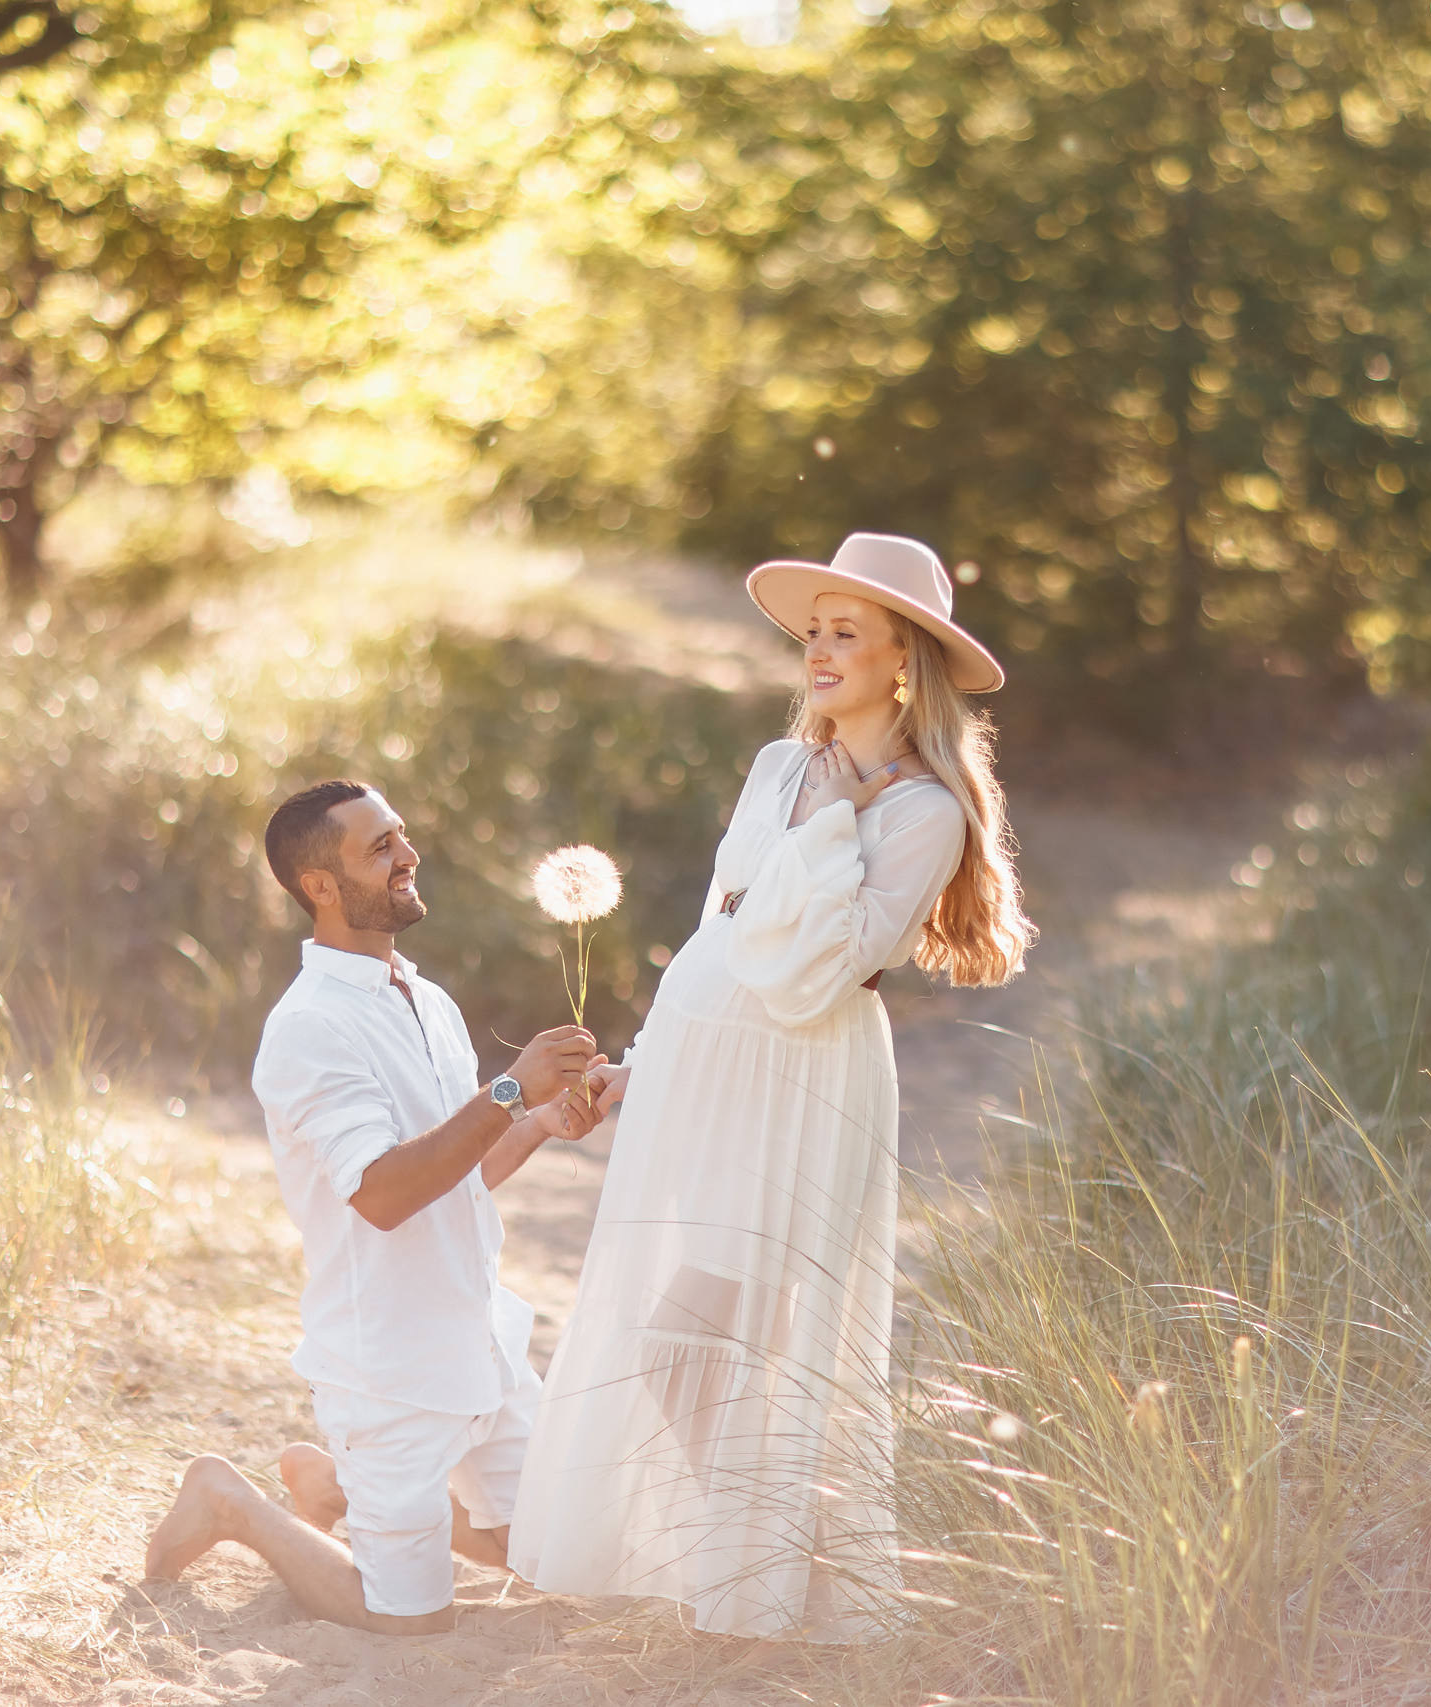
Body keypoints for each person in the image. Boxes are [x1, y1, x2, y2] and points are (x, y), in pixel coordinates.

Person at [506, 532, 1035, 1641]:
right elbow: (724, 927)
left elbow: (814, 973)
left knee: (697, 1337)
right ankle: (778, 1569)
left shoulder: (922, 811)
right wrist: (646, 1062)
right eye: (814, 633)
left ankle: (775, 1566)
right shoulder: (775, 765)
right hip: (703, 1069)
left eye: (848, 634)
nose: (820, 652)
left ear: (904, 659)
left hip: (798, 1083)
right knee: (706, 1339)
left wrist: (836, 816)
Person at [142, 779, 603, 1634]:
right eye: (380, 846)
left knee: (555, 1552)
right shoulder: (310, 1027)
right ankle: (230, 1500)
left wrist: (540, 1119)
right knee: (408, 1623)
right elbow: (385, 1196)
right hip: (390, 1369)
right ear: (319, 884)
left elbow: (456, 1167)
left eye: (402, 834)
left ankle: (335, 1486)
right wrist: (510, 1089)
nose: (408, 854)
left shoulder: (427, 1000)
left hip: (481, 1341)